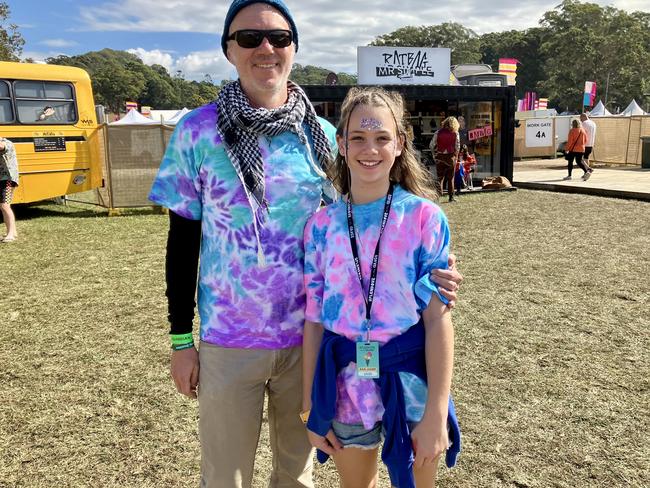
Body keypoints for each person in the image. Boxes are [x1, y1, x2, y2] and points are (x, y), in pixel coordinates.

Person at [149, 2, 463, 487]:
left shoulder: (325, 136)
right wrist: (179, 339)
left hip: (309, 343)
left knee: (296, 480)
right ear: (229, 49)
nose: (265, 48)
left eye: (278, 37)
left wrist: (435, 270)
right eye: (249, 38)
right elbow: (181, 239)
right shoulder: (197, 131)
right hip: (229, 343)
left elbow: (367, 225)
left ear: (294, 47)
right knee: (224, 479)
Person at [302, 87, 460, 488]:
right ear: (341, 144)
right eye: (357, 138)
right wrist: (309, 407)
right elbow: (315, 321)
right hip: (345, 385)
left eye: (381, 137)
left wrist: (436, 413)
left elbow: (439, 320)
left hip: (411, 380)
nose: (369, 149)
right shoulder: (320, 227)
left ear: (400, 143)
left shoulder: (425, 218)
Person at [429, 117, 460, 202]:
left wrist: (434, 155)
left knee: (439, 178)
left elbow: (431, 145)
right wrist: (456, 157)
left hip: (440, 157)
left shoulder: (438, 132)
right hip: (451, 157)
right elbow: (457, 147)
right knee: (451, 178)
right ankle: (451, 197)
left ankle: (437, 197)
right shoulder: (455, 133)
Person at [0, 137, 19, 243]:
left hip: (8, 178)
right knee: (4, 206)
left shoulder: (6, 143)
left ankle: (10, 234)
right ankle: (13, 231)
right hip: (2, 179)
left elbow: (2, 147)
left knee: (5, 205)